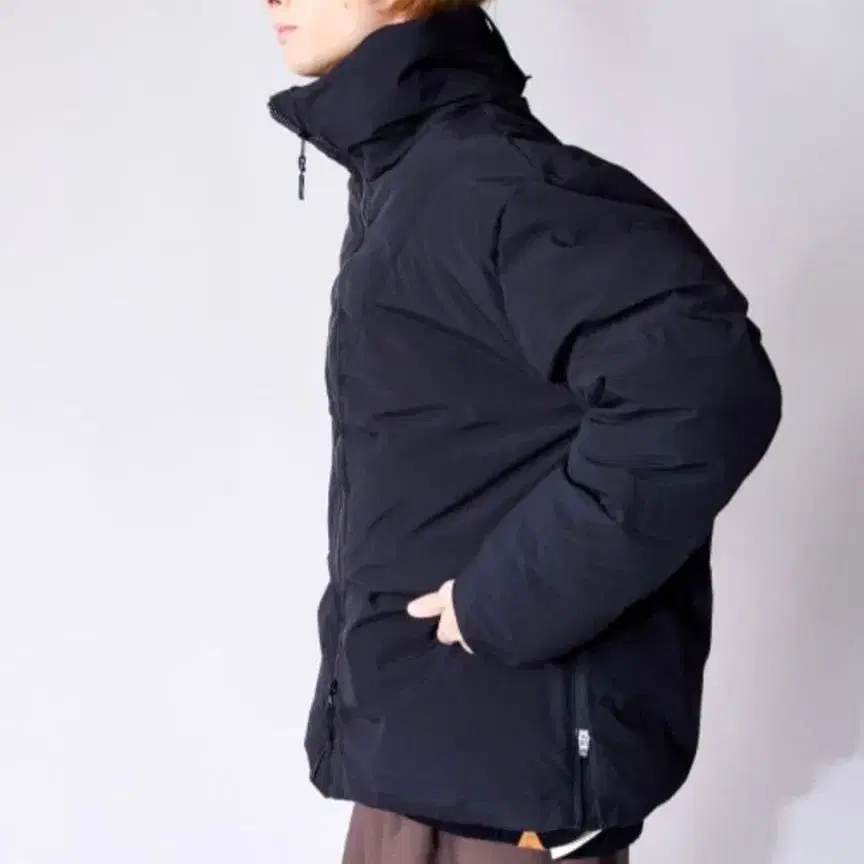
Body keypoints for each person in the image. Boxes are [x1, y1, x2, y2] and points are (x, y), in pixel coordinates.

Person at [263, 1, 783, 861]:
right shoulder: (411, 184)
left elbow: (702, 395)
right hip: (413, 773)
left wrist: (503, 600)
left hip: (509, 806)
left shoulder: (494, 185)